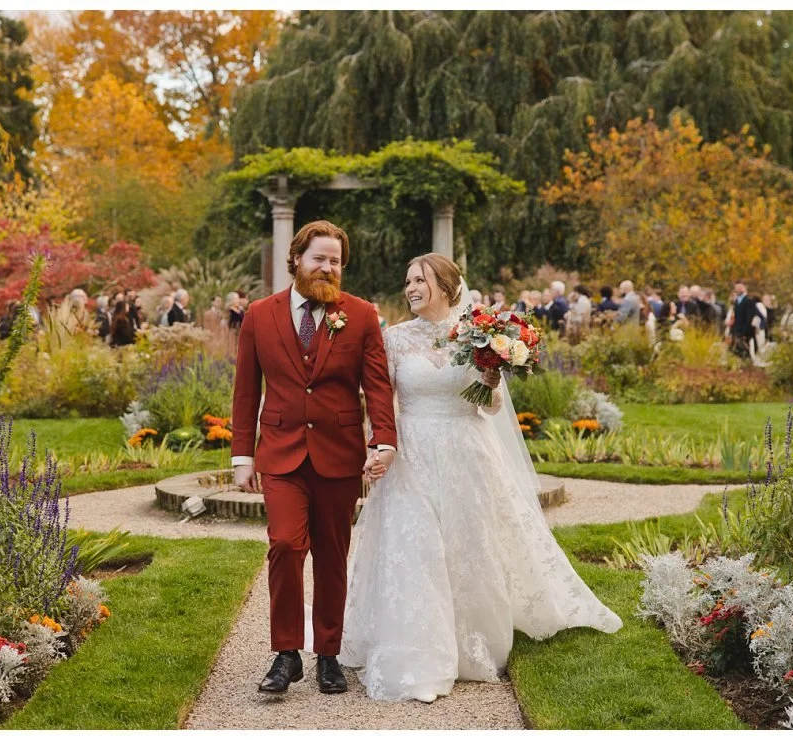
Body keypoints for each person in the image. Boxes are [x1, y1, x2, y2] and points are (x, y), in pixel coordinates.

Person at [340, 253, 622, 703]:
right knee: (415, 545)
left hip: (467, 451)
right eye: (408, 281)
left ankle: (471, 642)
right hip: (411, 455)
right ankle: (417, 648)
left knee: (467, 545)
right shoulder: (393, 339)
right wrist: (380, 446)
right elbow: (379, 401)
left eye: (420, 280)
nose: (410, 288)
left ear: (448, 285)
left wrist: (491, 380)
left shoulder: (479, 334)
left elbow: (489, 409)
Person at [231, 220, 397, 697]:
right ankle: (285, 654)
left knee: (332, 555)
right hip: (280, 454)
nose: (328, 267)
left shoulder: (361, 315)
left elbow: (377, 386)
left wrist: (382, 438)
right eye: (319, 258)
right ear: (297, 259)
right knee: (284, 544)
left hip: (338, 455)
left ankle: (328, 655)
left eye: (336, 261)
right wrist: (243, 454)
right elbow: (246, 392)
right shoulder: (260, 316)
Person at [728, 280, 759, 359]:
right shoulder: (737, 301)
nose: (738, 290)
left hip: (745, 332)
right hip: (736, 331)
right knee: (735, 352)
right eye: (736, 288)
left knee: (745, 352)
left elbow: (749, 319)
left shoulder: (749, 300)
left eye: (740, 287)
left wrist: (744, 333)